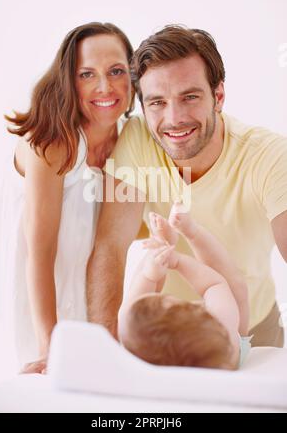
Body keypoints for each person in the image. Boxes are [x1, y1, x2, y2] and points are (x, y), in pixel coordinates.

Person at [87, 25, 287, 346]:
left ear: (218, 96)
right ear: (143, 107)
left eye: (189, 97)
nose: (174, 118)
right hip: (164, 335)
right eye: (157, 102)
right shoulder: (138, 139)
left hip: (251, 329)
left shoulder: (269, 155)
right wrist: (103, 346)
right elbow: (111, 244)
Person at [0, 22, 134, 373]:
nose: (105, 86)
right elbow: (40, 254)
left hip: (86, 289)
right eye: (87, 74)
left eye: (116, 71)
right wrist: (50, 346)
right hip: (36, 295)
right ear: (69, 80)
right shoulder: (50, 142)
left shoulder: (129, 141)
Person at [118, 202, 251, 370]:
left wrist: (150, 274)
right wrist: (178, 262)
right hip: (227, 352)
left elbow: (133, 308)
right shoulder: (223, 331)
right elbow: (213, 284)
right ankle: (191, 232)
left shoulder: (138, 349)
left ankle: (161, 247)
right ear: (201, 314)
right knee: (236, 289)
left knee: (133, 316)